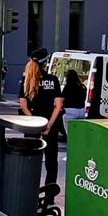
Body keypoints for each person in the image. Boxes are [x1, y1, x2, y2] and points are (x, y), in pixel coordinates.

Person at [19, 48, 64, 186]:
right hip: (50, 125)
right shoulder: (53, 80)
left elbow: (23, 105)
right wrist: (48, 125)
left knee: (29, 158)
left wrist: (35, 124)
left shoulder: (26, 80)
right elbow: (58, 105)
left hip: (32, 126)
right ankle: (49, 193)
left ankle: (28, 189)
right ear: (46, 63)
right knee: (51, 160)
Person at [61, 69, 87, 136]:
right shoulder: (82, 87)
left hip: (70, 111)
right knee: (79, 132)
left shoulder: (68, 87)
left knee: (70, 134)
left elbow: (62, 99)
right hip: (82, 111)